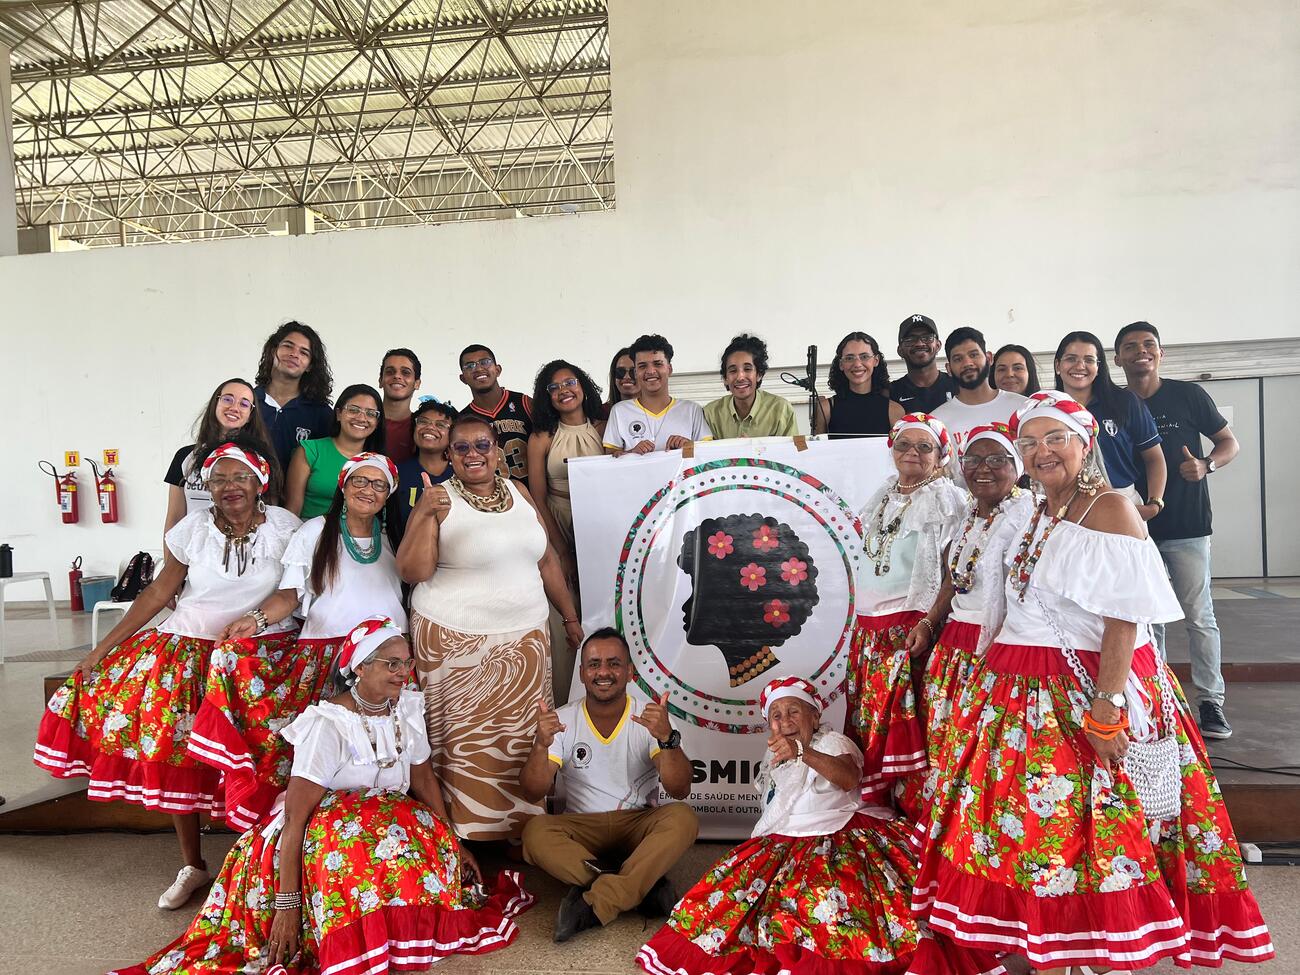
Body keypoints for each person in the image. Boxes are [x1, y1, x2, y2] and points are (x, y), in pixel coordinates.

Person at [910, 391, 1274, 974]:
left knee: (1083, 830)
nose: (1042, 452)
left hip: (1080, 691)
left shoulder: (1110, 508)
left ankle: (1093, 948)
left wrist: (1106, 707)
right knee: (1025, 831)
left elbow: (1124, 616)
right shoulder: (1031, 507)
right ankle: (1047, 942)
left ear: (1085, 443)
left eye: (1056, 439)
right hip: (1016, 686)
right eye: (1030, 443)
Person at [112, 617, 534, 975]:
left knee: (407, 850)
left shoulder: (406, 709)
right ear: (359, 669)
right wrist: (287, 905)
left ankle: (390, 925)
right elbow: (296, 819)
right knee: (349, 852)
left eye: (406, 662)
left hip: (389, 825)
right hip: (320, 831)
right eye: (391, 663)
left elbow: (423, 781)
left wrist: (452, 845)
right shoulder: (329, 725)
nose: (403, 672)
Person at [36, 440, 301, 909]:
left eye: (240, 477)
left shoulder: (284, 526)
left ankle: (261, 864)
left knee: (264, 759)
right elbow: (161, 591)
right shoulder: (193, 528)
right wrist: (101, 650)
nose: (229, 487)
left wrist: (259, 624)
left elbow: (295, 591)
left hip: (257, 659)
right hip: (188, 653)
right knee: (180, 759)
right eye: (219, 479)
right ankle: (193, 866)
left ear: (260, 482)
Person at [637, 677, 989, 975]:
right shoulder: (774, 756)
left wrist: (804, 752)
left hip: (840, 836)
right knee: (729, 902)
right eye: (776, 715)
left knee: (831, 909)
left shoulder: (831, 742)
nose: (784, 721)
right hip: (787, 842)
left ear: (814, 715)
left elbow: (850, 777)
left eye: (793, 711)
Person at [195, 453, 407, 830]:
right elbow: (289, 597)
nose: (367, 490)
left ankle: (374, 835)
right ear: (343, 485)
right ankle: (307, 839)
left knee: (383, 752)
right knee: (319, 759)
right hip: (327, 658)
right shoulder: (314, 531)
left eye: (378, 485)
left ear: (388, 494)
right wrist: (255, 619)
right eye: (360, 481)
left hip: (385, 663)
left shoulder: (394, 537)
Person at [398, 414, 583, 841]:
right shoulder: (438, 498)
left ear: (497, 451)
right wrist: (425, 512)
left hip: (526, 643)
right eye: (461, 448)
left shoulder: (518, 491)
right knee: (464, 750)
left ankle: (521, 830)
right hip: (455, 645)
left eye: (482, 445)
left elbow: (546, 559)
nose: (473, 454)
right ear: (449, 456)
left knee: (522, 740)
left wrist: (569, 617)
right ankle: (463, 835)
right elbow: (413, 571)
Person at [520, 628, 698, 943]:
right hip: (582, 827)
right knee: (535, 833)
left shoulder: (649, 718)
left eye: (614, 663)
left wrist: (667, 739)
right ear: (582, 673)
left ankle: (600, 900)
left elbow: (679, 788)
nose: (603, 672)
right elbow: (533, 791)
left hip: (637, 823)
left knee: (683, 817)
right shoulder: (562, 719)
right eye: (594, 664)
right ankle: (641, 884)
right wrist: (539, 745)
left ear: (630, 672)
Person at [907, 424, 1032, 860]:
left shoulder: (1028, 516)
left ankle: (986, 844)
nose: (984, 469)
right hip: (955, 645)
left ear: (1017, 466)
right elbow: (952, 580)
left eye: (997, 459)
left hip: (997, 648)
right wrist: (929, 621)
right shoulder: (966, 515)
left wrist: (1003, 649)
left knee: (988, 753)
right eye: (974, 460)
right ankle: (949, 838)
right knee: (951, 746)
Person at [1115, 321, 1240, 740]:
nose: (1140, 351)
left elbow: (1228, 442)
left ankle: (1211, 702)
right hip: (1134, 527)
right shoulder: (1115, 403)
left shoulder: (1189, 395)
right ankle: (1162, 697)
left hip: (1187, 525)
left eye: (1148, 344)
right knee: (1149, 619)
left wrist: (1207, 465)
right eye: (1130, 347)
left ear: (1161, 353)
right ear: (1118, 359)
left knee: (1199, 616)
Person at [849, 413, 965, 818]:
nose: (912, 453)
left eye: (924, 447)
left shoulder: (949, 499)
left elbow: (955, 574)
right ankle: (885, 812)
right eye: (904, 445)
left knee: (916, 726)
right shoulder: (883, 494)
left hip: (912, 628)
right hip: (871, 631)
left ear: (941, 455)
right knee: (873, 724)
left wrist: (930, 622)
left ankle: (919, 818)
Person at [1054, 330, 1167, 518]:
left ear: (1099, 367)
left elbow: (1154, 458)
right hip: (1064, 505)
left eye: (1089, 360)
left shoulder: (1125, 402)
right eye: (1071, 359)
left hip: (1122, 501)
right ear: (1058, 365)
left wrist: (1154, 504)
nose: (1080, 366)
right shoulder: (1047, 409)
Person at [164, 378, 282, 543]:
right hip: (192, 554)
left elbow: (269, 515)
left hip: (242, 553)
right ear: (215, 404)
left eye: (244, 404)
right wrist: (171, 561)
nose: (234, 407)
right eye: (228, 399)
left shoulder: (260, 459)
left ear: (250, 415)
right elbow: (174, 518)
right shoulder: (185, 457)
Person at [284, 383, 385, 519]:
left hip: (356, 538)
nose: (361, 418)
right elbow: (292, 510)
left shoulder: (378, 462)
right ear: (338, 414)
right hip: (307, 535)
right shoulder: (310, 451)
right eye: (353, 410)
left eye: (371, 413)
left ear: (377, 422)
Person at [604, 333, 708, 454]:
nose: (650, 371)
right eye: (642, 366)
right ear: (636, 372)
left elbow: (706, 456)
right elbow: (610, 459)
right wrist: (632, 453)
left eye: (658, 364)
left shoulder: (692, 410)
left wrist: (687, 447)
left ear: (669, 369)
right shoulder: (619, 411)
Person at [932, 327, 1027, 454]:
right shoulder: (937, 421)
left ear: (989, 358)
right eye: (958, 359)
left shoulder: (1023, 408)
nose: (967, 363)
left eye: (973, 355)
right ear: (949, 369)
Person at [253, 322, 335, 468]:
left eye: (304, 352)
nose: (294, 354)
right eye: (288, 346)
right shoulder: (247, 402)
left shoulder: (321, 413)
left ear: (310, 365)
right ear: (273, 350)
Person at [458, 343, 534, 481]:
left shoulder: (525, 403)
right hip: (492, 498)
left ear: (498, 369)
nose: (479, 368)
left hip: (532, 493)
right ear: (463, 378)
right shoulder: (463, 420)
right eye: (470, 366)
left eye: (485, 362)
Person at [703, 333, 798, 439]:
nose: (740, 377)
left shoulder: (781, 410)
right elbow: (705, 454)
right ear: (725, 378)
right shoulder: (710, 414)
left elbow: (791, 453)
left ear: (759, 374)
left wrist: (754, 450)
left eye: (747, 369)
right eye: (733, 370)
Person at [390, 398, 457, 543]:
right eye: (423, 421)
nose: (430, 428)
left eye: (441, 425)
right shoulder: (396, 474)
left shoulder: (463, 475)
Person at [813, 331, 904, 437]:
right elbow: (817, 450)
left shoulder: (894, 410)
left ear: (876, 360)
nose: (857, 364)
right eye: (849, 358)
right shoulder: (825, 409)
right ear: (841, 364)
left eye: (864, 357)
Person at [889, 314, 957, 413]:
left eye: (927, 337)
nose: (919, 343)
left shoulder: (957, 386)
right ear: (900, 350)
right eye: (910, 339)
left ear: (938, 345)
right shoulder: (890, 393)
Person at [378, 347, 423, 464]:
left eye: (405, 372)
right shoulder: (361, 421)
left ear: (417, 383)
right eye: (390, 371)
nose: (397, 376)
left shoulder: (422, 428)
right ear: (380, 380)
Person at [605, 346, 640, 417]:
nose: (626, 377)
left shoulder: (656, 410)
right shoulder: (602, 413)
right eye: (620, 371)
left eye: (633, 372)